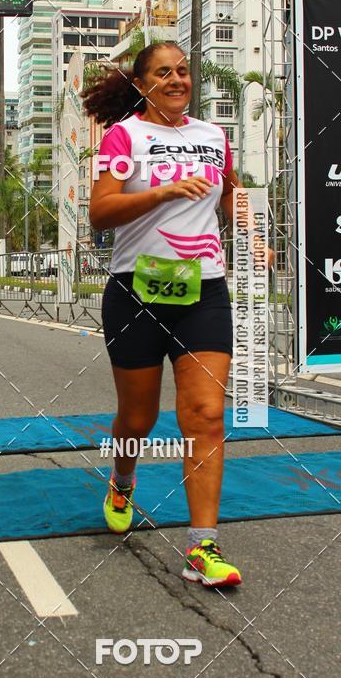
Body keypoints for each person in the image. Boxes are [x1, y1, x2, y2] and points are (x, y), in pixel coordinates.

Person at [84, 41, 273, 588]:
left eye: (184, 71)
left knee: (206, 414)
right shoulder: (125, 137)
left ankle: (201, 547)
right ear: (142, 85)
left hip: (203, 293)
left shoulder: (213, 137)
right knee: (137, 422)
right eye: (164, 72)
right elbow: (100, 209)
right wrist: (163, 192)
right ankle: (123, 478)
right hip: (135, 295)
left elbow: (232, 196)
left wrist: (253, 235)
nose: (177, 79)